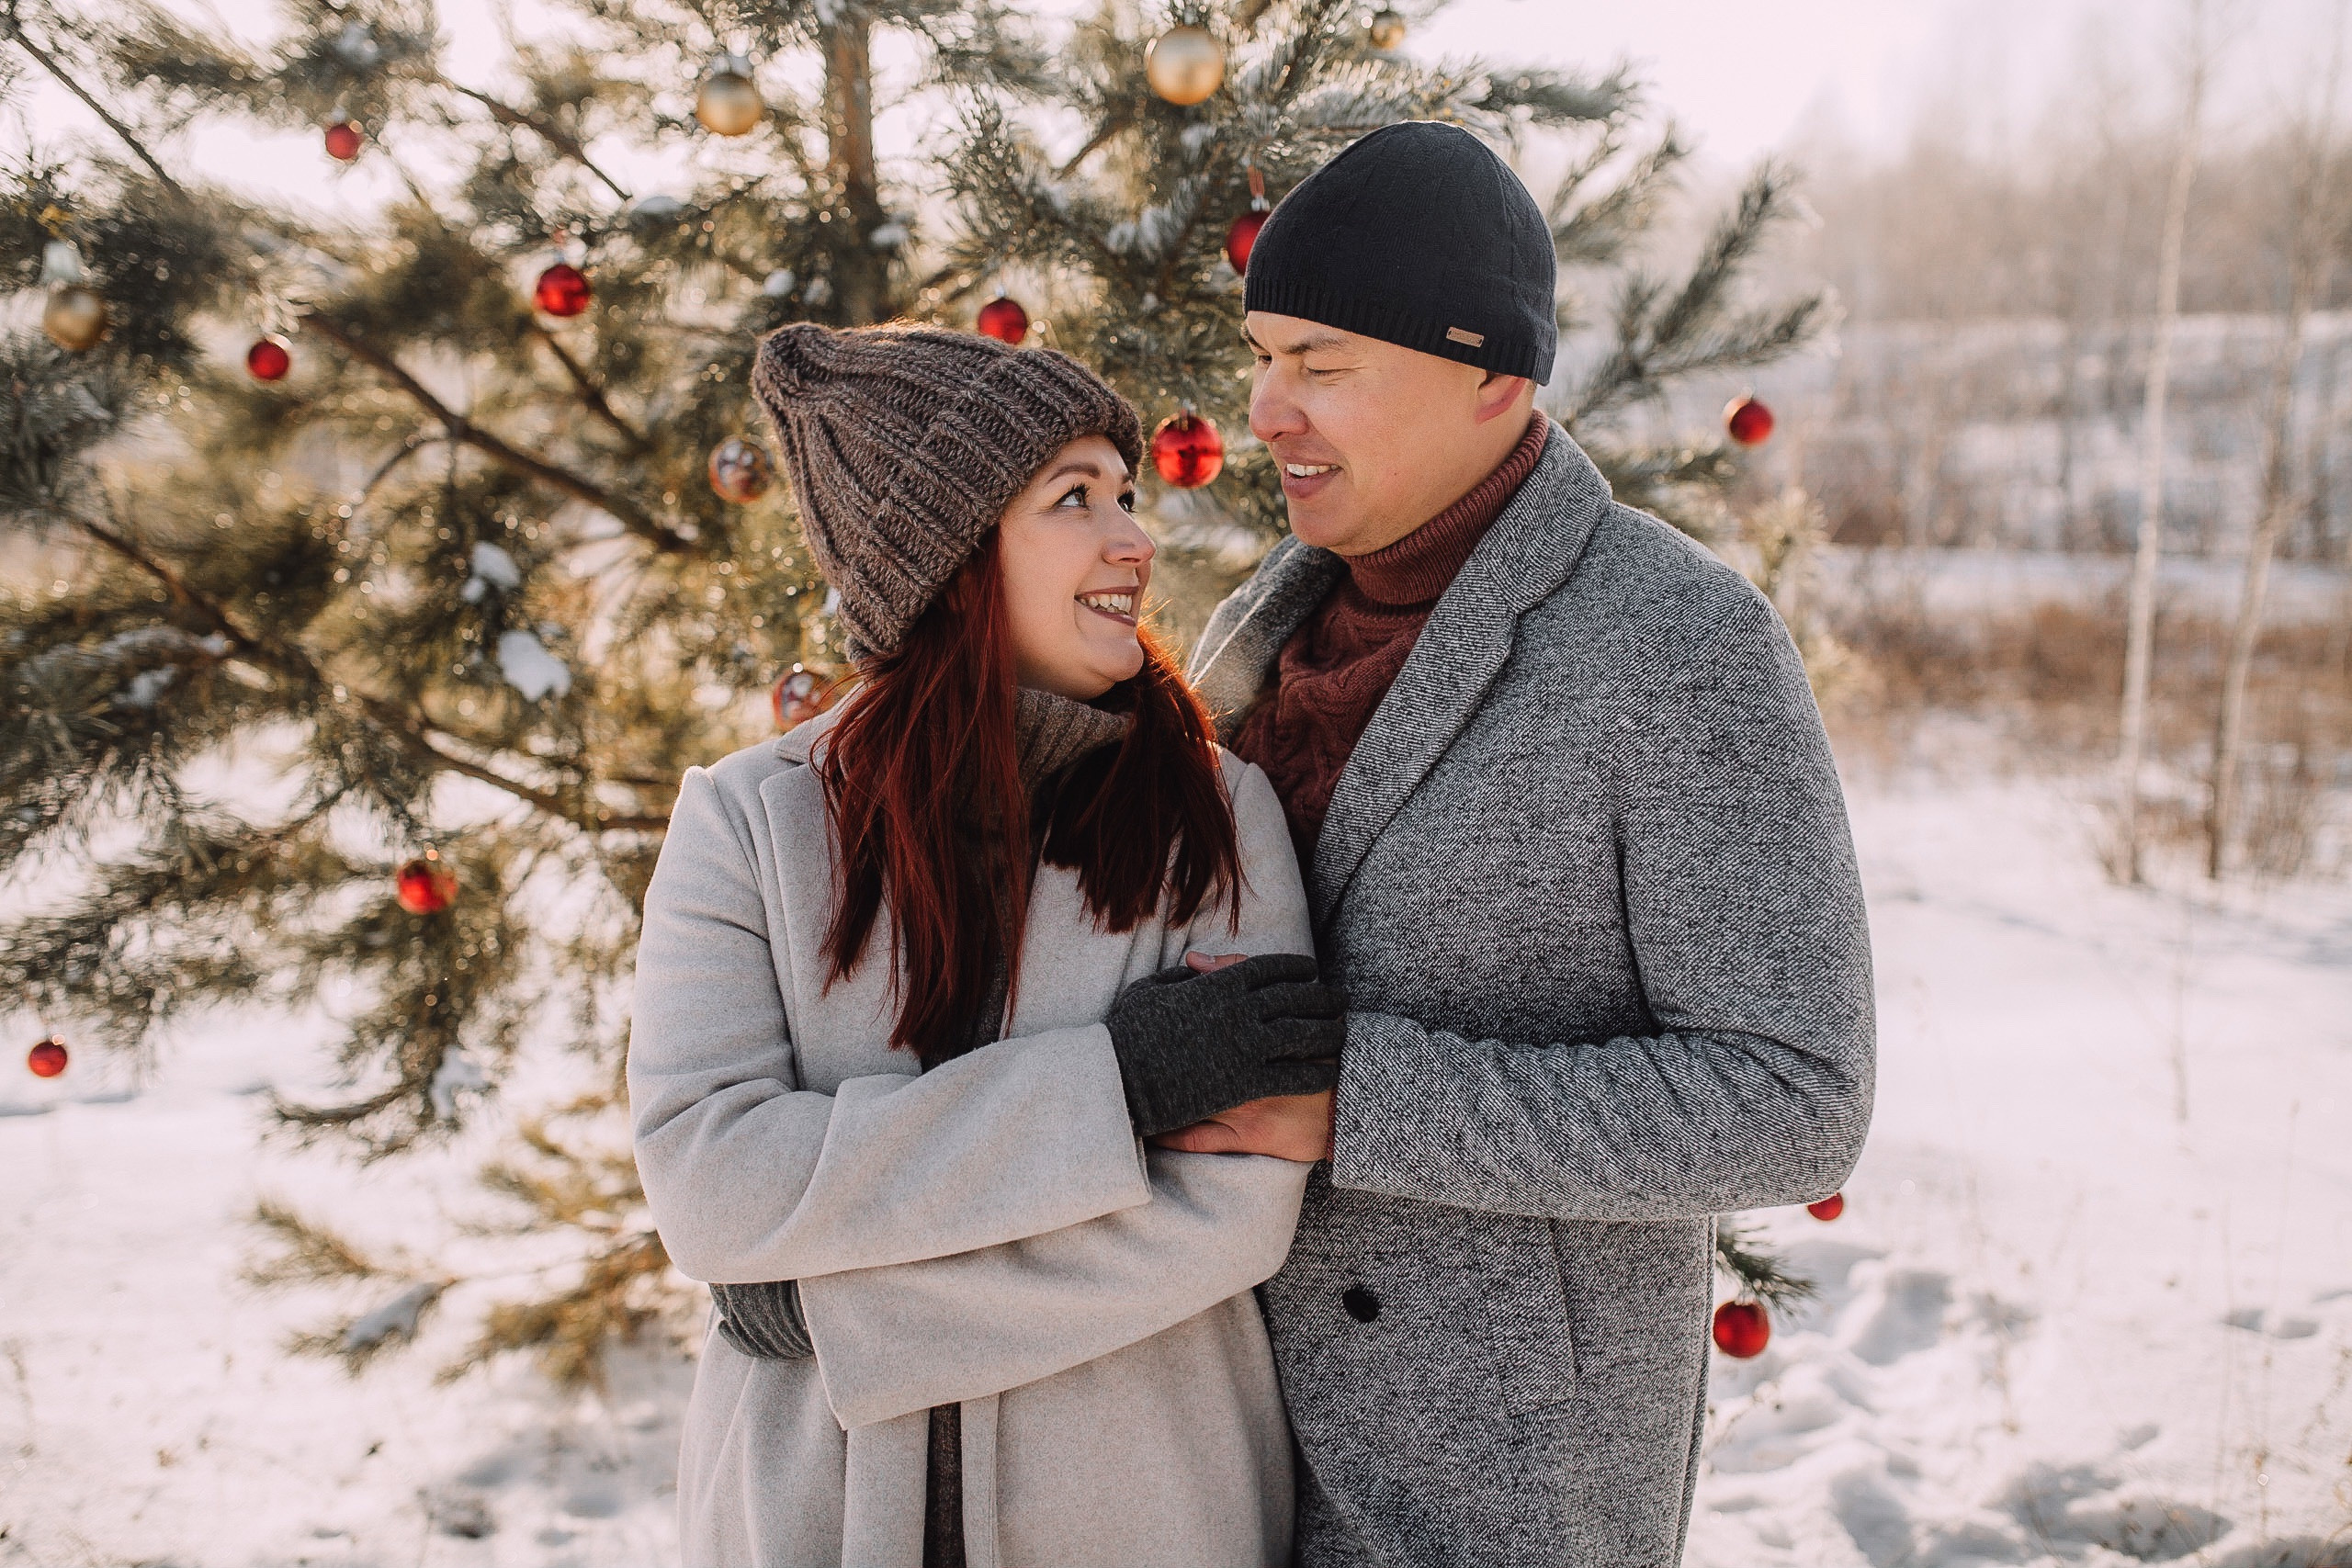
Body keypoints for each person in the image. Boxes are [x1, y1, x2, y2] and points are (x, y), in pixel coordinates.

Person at [1167, 121, 1878, 1567]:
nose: (1266, 411)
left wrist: (1354, 1104)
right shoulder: (1264, 618)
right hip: (1208, 1430)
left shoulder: (1680, 647)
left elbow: (1796, 1096)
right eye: (1261, 355)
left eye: (1323, 364)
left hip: (1492, 1489)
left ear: (1494, 372)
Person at [628, 321, 1346, 1567]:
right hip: (807, 1514)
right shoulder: (750, 825)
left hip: (1142, 1513)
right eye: (1076, 499)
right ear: (949, 554)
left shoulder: (1214, 818)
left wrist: (841, 1311)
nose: (1135, 537)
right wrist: (1113, 1091)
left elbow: (1228, 1212)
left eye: (1127, 494)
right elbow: (713, 1181)